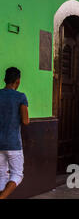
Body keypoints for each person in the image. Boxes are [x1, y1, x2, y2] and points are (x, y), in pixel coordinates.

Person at [0, 67, 30, 199]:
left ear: (4, 79)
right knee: (17, 175)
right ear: (17, 81)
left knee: (2, 175)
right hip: (13, 143)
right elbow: (25, 121)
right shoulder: (20, 97)